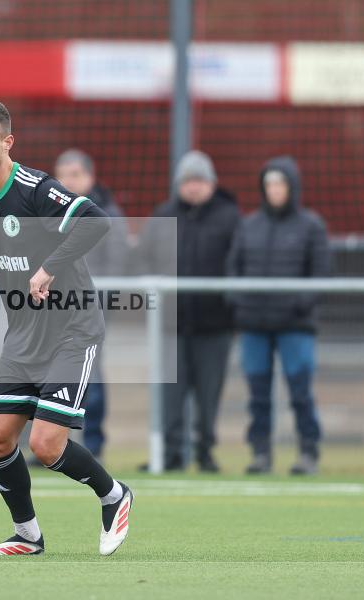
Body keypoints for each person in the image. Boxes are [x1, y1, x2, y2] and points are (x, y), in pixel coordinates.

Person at [0, 101, 133, 557]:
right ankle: (28, 536)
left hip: (73, 328)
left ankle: (114, 495)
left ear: (7, 142)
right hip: (23, 335)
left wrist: (48, 267)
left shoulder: (35, 189)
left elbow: (97, 221)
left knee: (46, 443)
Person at [135, 151, 240, 472]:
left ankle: (205, 453)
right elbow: (143, 259)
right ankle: (170, 455)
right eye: (188, 181)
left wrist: (229, 302)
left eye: (199, 180)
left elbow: (239, 262)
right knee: (171, 397)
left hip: (215, 325)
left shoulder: (230, 217)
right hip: (170, 326)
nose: (193, 187)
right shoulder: (162, 216)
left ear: (211, 183)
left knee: (209, 396)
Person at [227, 156, 331, 475]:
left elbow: (321, 275)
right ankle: (261, 454)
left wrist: (299, 304)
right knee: (258, 396)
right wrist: (240, 303)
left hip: (295, 326)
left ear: (292, 187)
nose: (274, 190)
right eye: (269, 184)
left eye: (280, 184)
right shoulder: (249, 225)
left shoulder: (311, 226)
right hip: (255, 326)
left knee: (300, 392)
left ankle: (308, 453)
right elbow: (233, 269)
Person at [54, 148, 129, 460]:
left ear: (89, 177)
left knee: (91, 376)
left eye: (75, 175)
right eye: (63, 175)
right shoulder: (48, 213)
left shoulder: (106, 214)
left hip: (90, 309)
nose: (68, 182)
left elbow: (117, 263)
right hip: (52, 309)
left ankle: (93, 444)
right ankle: (51, 444)